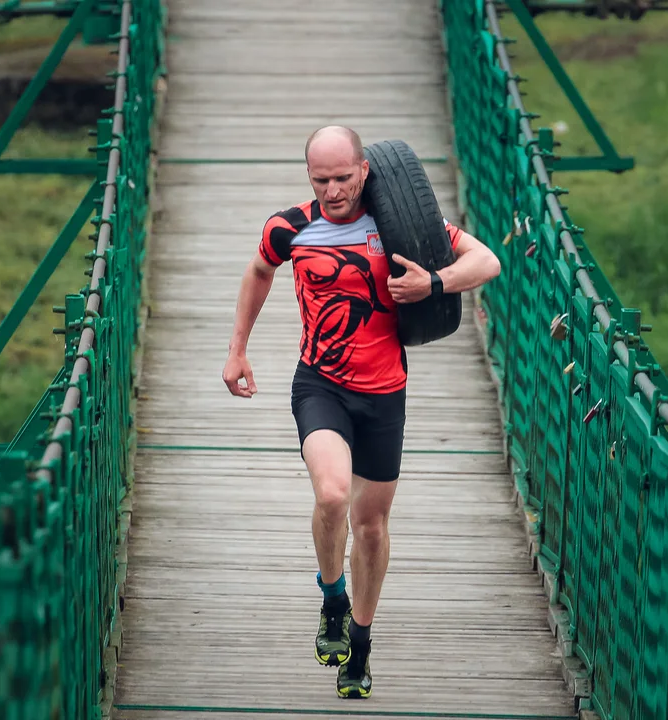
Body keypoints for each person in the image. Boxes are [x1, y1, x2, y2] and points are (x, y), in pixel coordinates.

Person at [221, 125, 501, 699]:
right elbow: (259, 271)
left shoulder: (397, 223)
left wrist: (435, 282)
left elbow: (488, 261)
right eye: (320, 179)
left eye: (343, 178)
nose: (332, 190)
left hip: (384, 394)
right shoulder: (290, 228)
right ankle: (331, 598)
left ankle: (362, 644)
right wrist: (237, 349)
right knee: (331, 495)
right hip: (319, 383)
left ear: (365, 170)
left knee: (371, 527)